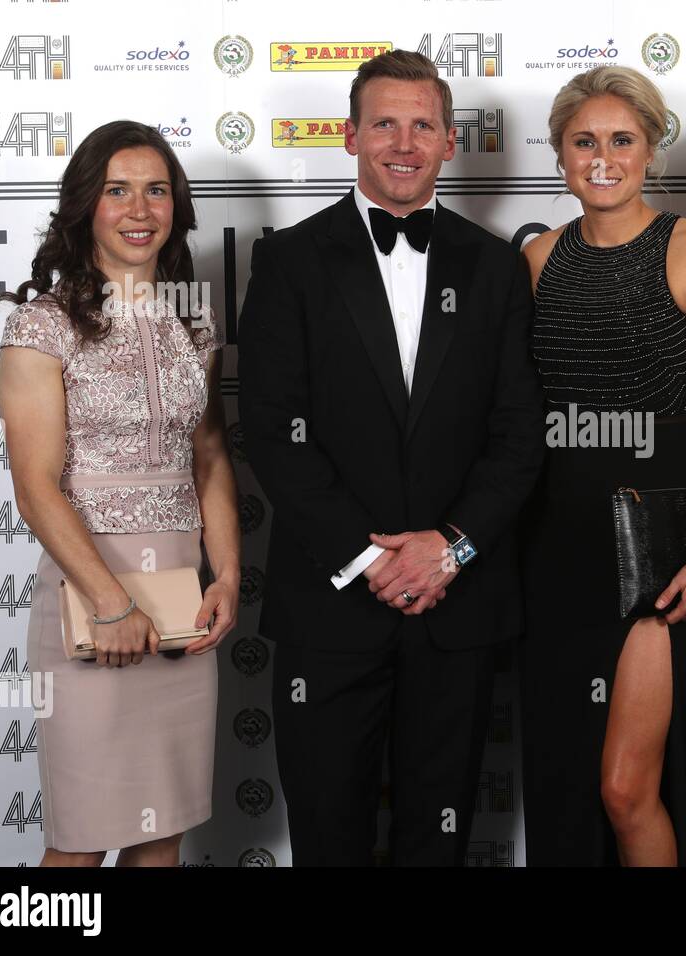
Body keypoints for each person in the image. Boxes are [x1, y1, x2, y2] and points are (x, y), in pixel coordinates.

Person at [237, 49, 544, 866]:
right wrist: (366, 560)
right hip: (331, 611)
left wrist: (453, 548)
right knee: (328, 840)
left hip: (457, 607)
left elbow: (520, 436)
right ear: (349, 136)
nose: (403, 143)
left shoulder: (496, 268)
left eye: (422, 124)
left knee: (436, 843)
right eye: (384, 123)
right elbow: (273, 428)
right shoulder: (289, 261)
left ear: (449, 140)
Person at [519, 65, 686, 866]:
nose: (603, 157)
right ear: (560, 154)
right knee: (563, 783)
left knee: (627, 787)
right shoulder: (538, 260)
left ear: (651, 149)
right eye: (585, 141)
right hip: (550, 546)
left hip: (654, 546)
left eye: (622, 139)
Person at [0, 120, 238, 866]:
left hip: (181, 602)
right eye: (118, 190)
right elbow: (35, 487)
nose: (140, 208)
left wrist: (228, 574)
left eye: (157, 190)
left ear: (177, 206)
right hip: (87, 600)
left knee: (160, 835)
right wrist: (110, 603)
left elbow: (208, 455)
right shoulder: (41, 325)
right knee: (82, 842)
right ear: (85, 207)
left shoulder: (195, 325)